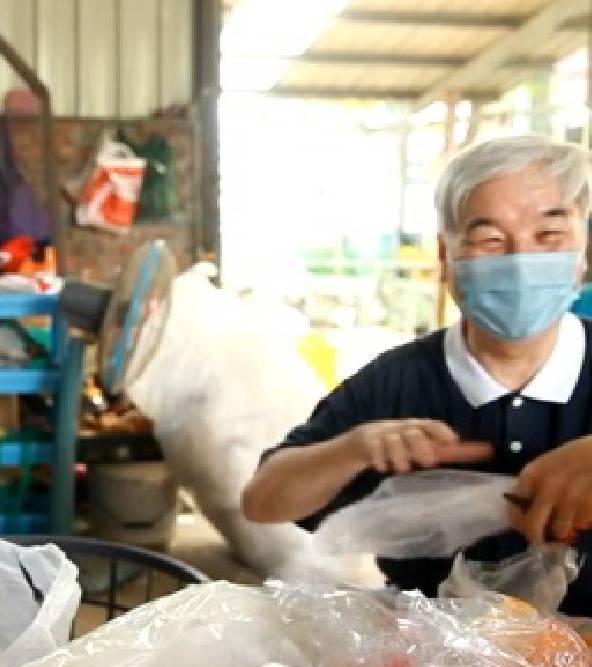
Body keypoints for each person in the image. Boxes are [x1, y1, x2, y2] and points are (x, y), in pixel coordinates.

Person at [243, 134, 592, 615]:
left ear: (583, 252)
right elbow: (264, 500)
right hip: (434, 661)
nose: (518, 259)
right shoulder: (398, 381)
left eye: (548, 236)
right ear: (447, 259)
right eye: (489, 239)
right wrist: (355, 447)